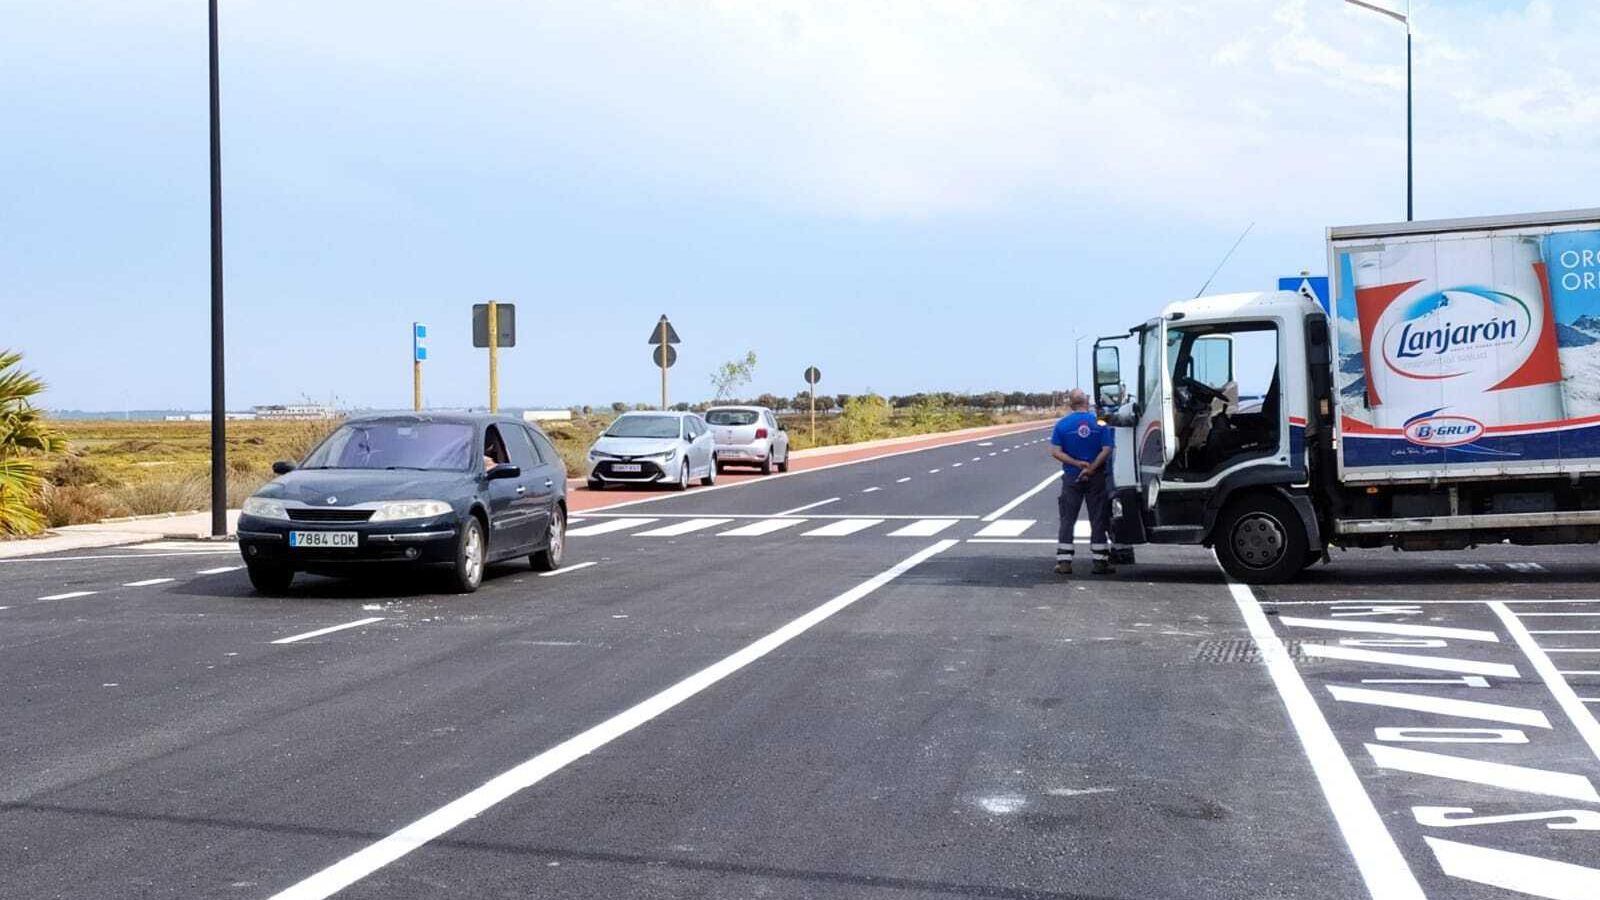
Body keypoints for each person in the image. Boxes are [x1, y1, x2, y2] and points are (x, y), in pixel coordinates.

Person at [1050, 389, 1113, 575]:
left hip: (1071, 477)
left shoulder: (1062, 424)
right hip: (1096, 477)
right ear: (1088, 403)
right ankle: (1100, 562)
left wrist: (1076, 464)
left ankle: (1064, 562)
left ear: (1071, 404)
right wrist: (1091, 467)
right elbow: (1107, 448)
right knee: (1098, 518)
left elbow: (1055, 451)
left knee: (1068, 519)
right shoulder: (1100, 423)